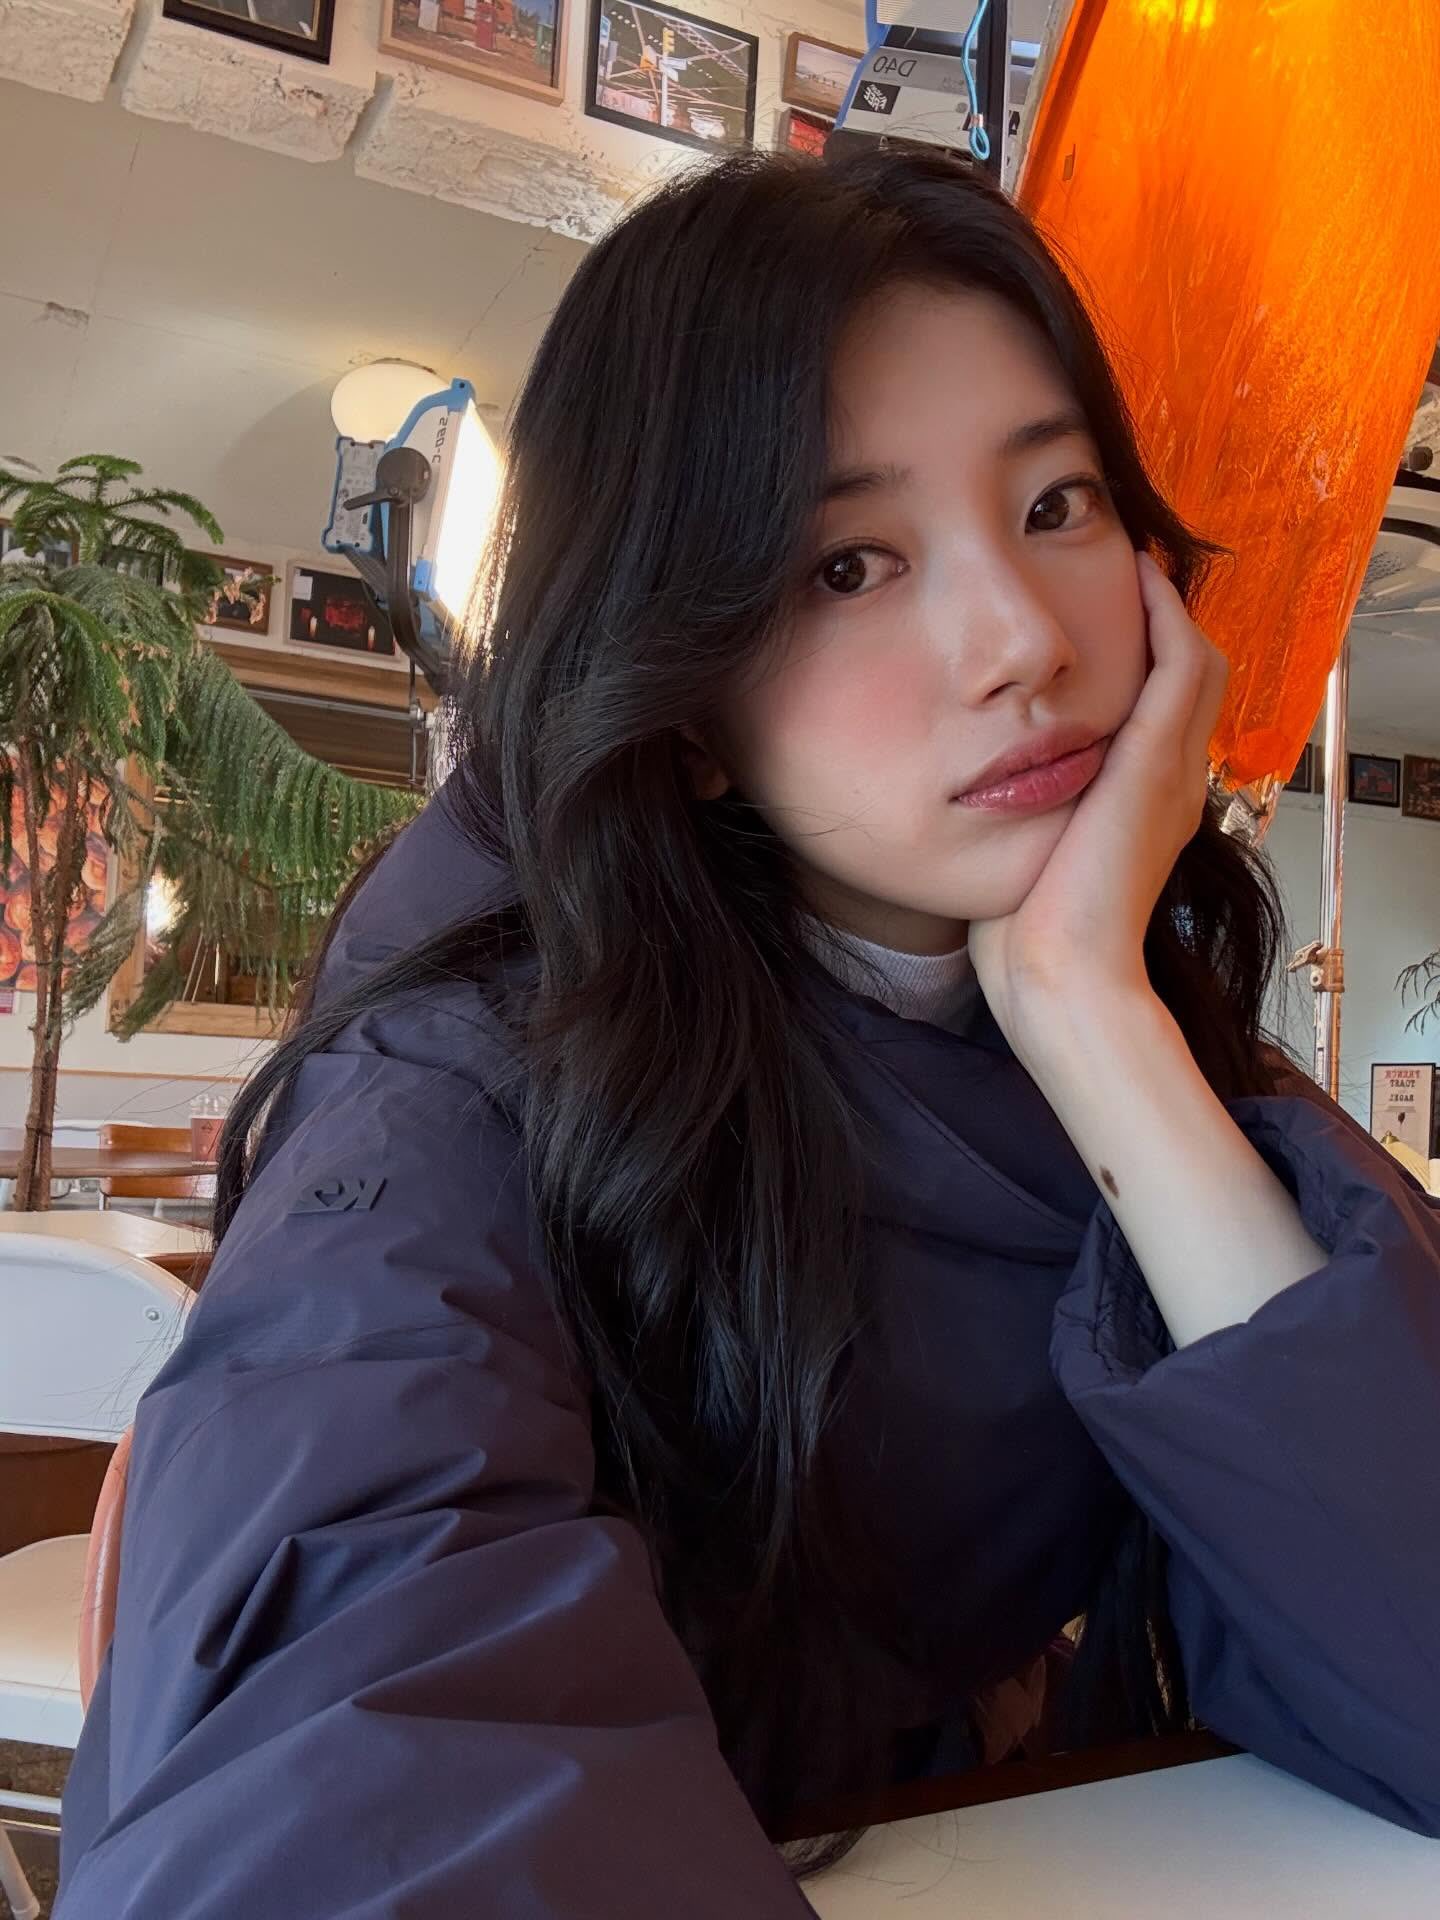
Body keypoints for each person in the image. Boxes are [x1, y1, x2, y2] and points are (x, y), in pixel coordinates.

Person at [56, 148, 1440, 1917]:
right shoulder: (460, 1091)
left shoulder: (1111, 1010)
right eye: (848, 563)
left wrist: (1097, 1022)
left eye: (1058, 503)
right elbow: (357, 1780)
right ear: (682, 691)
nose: (1020, 640)